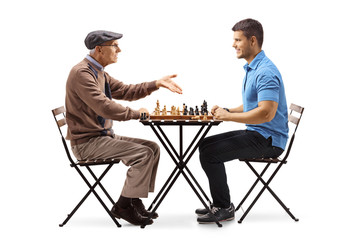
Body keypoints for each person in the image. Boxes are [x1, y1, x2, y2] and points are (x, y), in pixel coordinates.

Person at [65, 30, 182, 226]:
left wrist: (156, 84)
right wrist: (137, 114)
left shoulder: (99, 72)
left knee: (152, 148)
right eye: (114, 45)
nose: (119, 49)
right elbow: (104, 106)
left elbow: (126, 91)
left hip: (103, 137)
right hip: (87, 143)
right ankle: (122, 207)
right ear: (99, 49)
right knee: (143, 154)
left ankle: (133, 200)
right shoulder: (82, 73)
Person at [196, 19, 288, 223]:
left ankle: (223, 207)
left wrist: (229, 117)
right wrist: (228, 110)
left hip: (268, 142)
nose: (233, 44)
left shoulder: (265, 72)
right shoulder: (254, 68)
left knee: (210, 153)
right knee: (204, 144)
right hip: (258, 134)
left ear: (252, 40)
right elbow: (253, 105)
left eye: (238, 40)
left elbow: (266, 114)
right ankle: (221, 203)